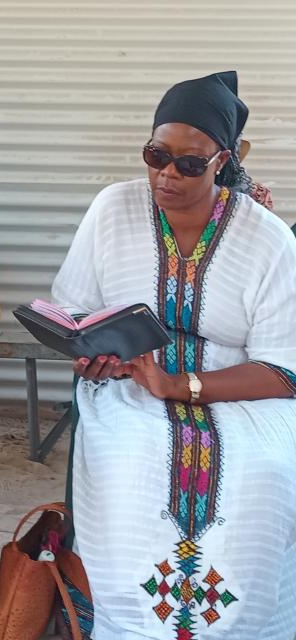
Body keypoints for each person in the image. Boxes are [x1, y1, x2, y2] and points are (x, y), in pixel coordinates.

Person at [52, 71, 296, 639]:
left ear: (225, 161)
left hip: (241, 390)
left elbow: (285, 371)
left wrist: (180, 385)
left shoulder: (269, 240)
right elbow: (75, 310)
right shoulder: (112, 210)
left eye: (189, 163)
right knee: (134, 463)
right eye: (156, 154)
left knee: (260, 472)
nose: (167, 173)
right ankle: (134, 626)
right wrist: (87, 350)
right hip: (126, 382)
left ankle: (240, 628)